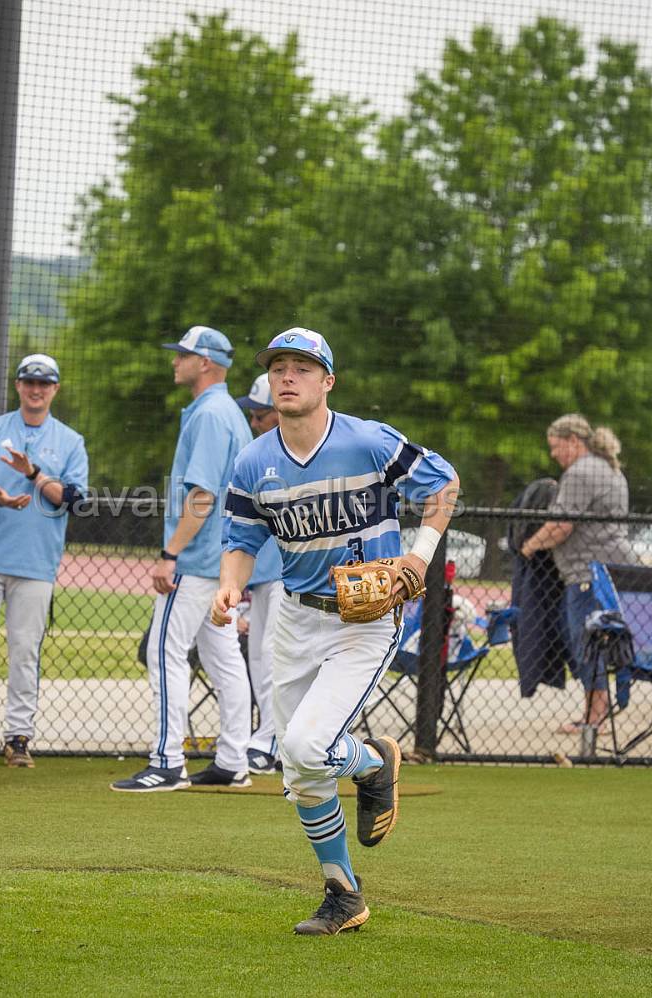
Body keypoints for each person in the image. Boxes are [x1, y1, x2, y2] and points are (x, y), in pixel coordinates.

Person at [214, 326, 460, 935]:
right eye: (278, 368)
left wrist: (419, 556)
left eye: (302, 367)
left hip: (365, 620)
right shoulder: (254, 460)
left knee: (304, 746)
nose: (287, 377)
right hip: (296, 619)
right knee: (297, 771)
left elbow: (444, 484)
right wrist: (229, 585)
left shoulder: (368, 442)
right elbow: (241, 538)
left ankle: (374, 762)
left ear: (328, 381)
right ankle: (343, 893)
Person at [110, 325, 253, 793]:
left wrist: (170, 553)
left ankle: (168, 762)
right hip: (221, 558)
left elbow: (203, 495)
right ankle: (233, 760)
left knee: (164, 650)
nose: (176, 360)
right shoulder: (224, 410)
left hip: (196, 559)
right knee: (222, 656)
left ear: (206, 362)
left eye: (184, 354)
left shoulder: (212, 413)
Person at [0, 352, 89, 767]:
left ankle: (18, 737)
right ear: (18, 386)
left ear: (55, 389)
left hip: (36, 562)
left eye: (45, 383)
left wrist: (34, 473)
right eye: (29, 381)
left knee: (24, 650)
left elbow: (74, 501)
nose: (36, 389)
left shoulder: (70, 441)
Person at [518, 414, 630, 749]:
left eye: (556, 447)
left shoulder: (580, 472)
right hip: (611, 571)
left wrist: (529, 545)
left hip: (587, 575)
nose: (554, 455)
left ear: (573, 442)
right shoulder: (611, 469)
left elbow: (561, 524)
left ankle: (595, 717)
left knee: (587, 645)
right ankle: (594, 713)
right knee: (593, 643)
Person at [234, 371, 284, 775]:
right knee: (259, 656)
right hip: (264, 574)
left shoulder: (293, 456)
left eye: (260, 415)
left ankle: (271, 739)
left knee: (274, 657)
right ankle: (270, 737)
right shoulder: (257, 457)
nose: (254, 422)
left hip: (291, 576)